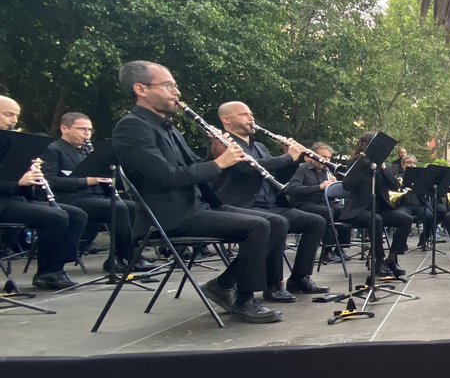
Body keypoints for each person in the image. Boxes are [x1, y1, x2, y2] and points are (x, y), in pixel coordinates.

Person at [111, 61, 283, 322]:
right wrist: (219, 163)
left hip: (197, 207)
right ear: (140, 89)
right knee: (257, 226)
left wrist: (223, 158)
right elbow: (166, 176)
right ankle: (244, 300)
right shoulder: (132, 127)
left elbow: (195, 166)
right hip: (169, 216)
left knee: (278, 222)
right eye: (168, 86)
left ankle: (223, 285)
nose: (176, 92)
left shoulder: (167, 127)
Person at [212, 101, 328, 300]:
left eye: (251, 114)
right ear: (226, 119)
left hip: (270, 204)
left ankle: (299, 277)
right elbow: (249, 167)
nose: (251, 118)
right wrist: (287, 157)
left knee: (315, 221)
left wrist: (289, 157)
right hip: (240, 206)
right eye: (244, 114)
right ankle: (273, 283)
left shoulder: (260, 146)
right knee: (276, 223)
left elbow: (278, 179)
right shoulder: (222, 142)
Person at [41, 111, 154, 274]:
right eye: (82, 129)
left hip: (95, 197)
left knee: (132, 206)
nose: (87, 134)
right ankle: (122, 258)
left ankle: (131, 256)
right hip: (69, 198)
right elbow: (50, 181)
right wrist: (87, 181)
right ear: (64, 128)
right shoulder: (53, 150)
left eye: (89, 130)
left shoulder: (87, 151)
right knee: (119, 208)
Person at [0, 96, 89, 289]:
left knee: (76, 215)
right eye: (8, 115)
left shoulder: (10, 142)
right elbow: (9, 180)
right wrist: (16, 183)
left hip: (15, 199)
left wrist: (31, 177)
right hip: (3, 201)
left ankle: (58, 266)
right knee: (56, 217)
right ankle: (47, 273)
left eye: (16, 116)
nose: (14, 121)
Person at [339, 131, 412, 277]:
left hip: (378, 209)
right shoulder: (355, 163)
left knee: (406, 220)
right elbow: (347, 185)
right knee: (376, 219)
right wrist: (361, 164)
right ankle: (379, 261)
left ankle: (391, 258)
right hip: (358, 210)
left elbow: (394, 186)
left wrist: (384, 168)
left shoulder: (380, 166)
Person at [287, 142, 349, 263]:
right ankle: (327, 250)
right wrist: (319, 187)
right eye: (323, 157)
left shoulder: (327, 171)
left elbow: (331, 194)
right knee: (327, 212)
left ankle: (340, 248)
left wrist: (334, 186)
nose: (326, 160)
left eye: (329, 158)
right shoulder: (302, 169)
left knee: (346, 210)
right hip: (304, 204)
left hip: (324, 203)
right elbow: (292, 190)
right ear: (313, 156)